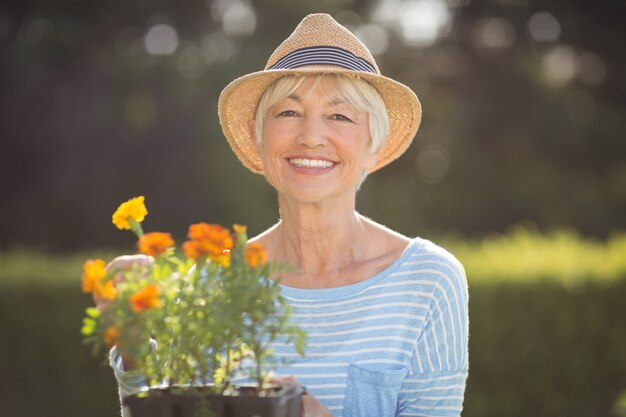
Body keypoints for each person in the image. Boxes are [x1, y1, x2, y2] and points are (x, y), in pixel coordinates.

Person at [109, 13, 469, 417]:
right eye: (289, 113)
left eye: (340, 115)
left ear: (373, 146)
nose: (311, 136)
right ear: (261, 141)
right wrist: (134, 348)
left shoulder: (429, 280)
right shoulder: (215, 280)